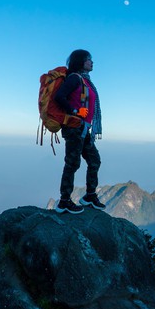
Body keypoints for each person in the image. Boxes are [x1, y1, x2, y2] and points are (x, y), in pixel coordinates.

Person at [53, 49, 105, 214]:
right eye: (89, 59)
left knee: (94, 160)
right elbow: (59, 97)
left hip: (84, 129)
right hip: (74, 128)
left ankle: (90, 195)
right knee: (72, 163)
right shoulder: (75, 78)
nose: (92, 62)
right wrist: (75, 111)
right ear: (81, 61)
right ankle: (64, 201)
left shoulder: (85, 81)